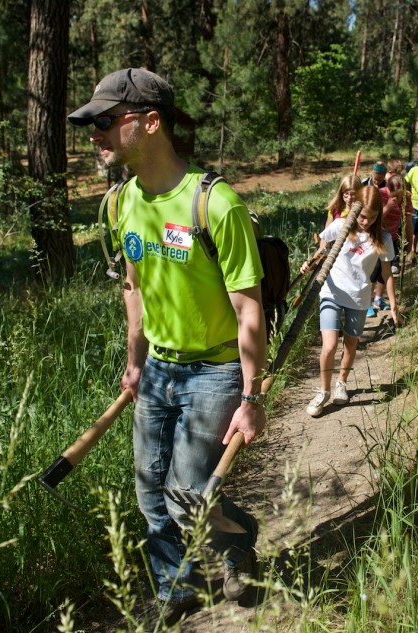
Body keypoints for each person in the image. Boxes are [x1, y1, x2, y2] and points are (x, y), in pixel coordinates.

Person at [67, 68, 263, 622]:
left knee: (187, 492)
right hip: (157, 369)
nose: (94, 133)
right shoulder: (121, 202)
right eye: (92, 123)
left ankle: (238, 537)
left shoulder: (214, 203)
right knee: (151, 487)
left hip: (215, 370)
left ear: (151, 123)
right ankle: (176, 587)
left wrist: (252, 398)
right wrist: (135, 364)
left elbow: (249, 308)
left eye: (106, 121)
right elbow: (134, 289)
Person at [299, 186, 400, 417]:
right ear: (355, 210)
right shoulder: (339, 226)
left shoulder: (382, 237)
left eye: (372, 217)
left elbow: (387, 273)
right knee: (330, 345)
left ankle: (341, 383)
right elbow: (321, 251)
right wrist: (309, 263)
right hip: (332, 292)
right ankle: (323, 391)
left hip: (359, 296)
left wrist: (393, 303)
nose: (365, 221)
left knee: (350, 344)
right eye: (362, 216)